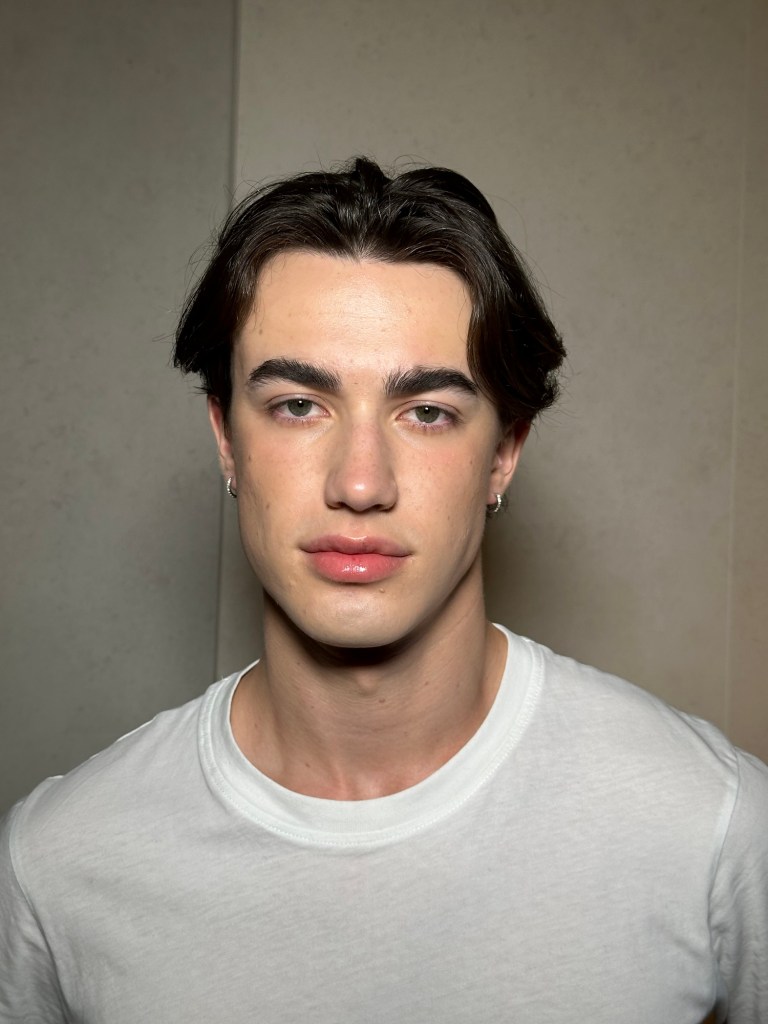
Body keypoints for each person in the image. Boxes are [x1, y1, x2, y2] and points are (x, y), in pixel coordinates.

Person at [0, 157, 765, 1023]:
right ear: (226, 439)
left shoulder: (713, 826)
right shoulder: (56, 866)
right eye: (298, 405)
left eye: (427, 412)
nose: (361, 484)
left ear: (504, 454)